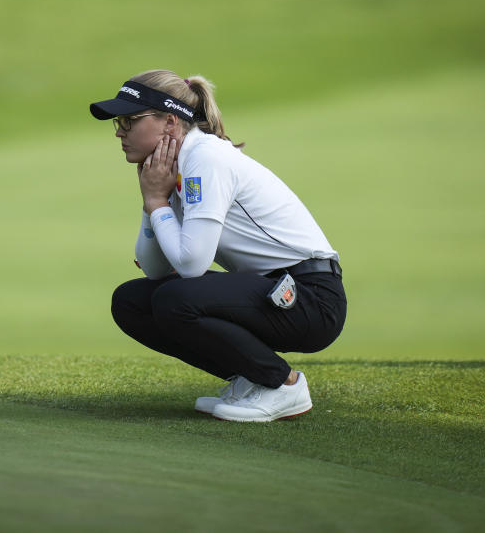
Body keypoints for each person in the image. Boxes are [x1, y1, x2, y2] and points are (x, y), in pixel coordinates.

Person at [89, 69, 347, 422]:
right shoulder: (174, 165)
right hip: (271, 292)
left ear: (169, 121)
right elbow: (155, 268)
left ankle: (282, 386)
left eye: (130, 120)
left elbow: (192, 264)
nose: (119, 131)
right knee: (131, 302)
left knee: (175, 299)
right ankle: (251, 379)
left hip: (310, 298)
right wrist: (153, 202)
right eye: (118, 121)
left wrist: (157, 202)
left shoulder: (205, 158)